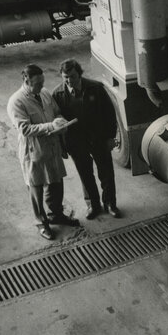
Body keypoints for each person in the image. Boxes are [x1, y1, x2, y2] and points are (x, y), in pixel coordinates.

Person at [7, 64, 76, 240]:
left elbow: (56, 111)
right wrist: (51, 126)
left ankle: (56, 215)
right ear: (26, 80)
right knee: (36, 187)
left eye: (42, 82)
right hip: (33, 150)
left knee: (56, 182)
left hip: (52, 146)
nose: (41, 86)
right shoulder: (16, 101)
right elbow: (25, 129)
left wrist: (60, 121)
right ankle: (41, 222)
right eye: (37, 83)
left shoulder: (44, 93)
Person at [52, 59, 120, 220]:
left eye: (73, 76)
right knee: (85, 174)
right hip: (76, 143)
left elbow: (110, 114)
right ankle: (93, 205)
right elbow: (57, 121)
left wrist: (111, 137)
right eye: (65, 77)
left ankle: (110, 203)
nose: (69, 80)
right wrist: (63, 146)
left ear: (79, 73)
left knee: (106, 173)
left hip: (99, 138)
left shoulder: (95, 88)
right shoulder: (57, 94)